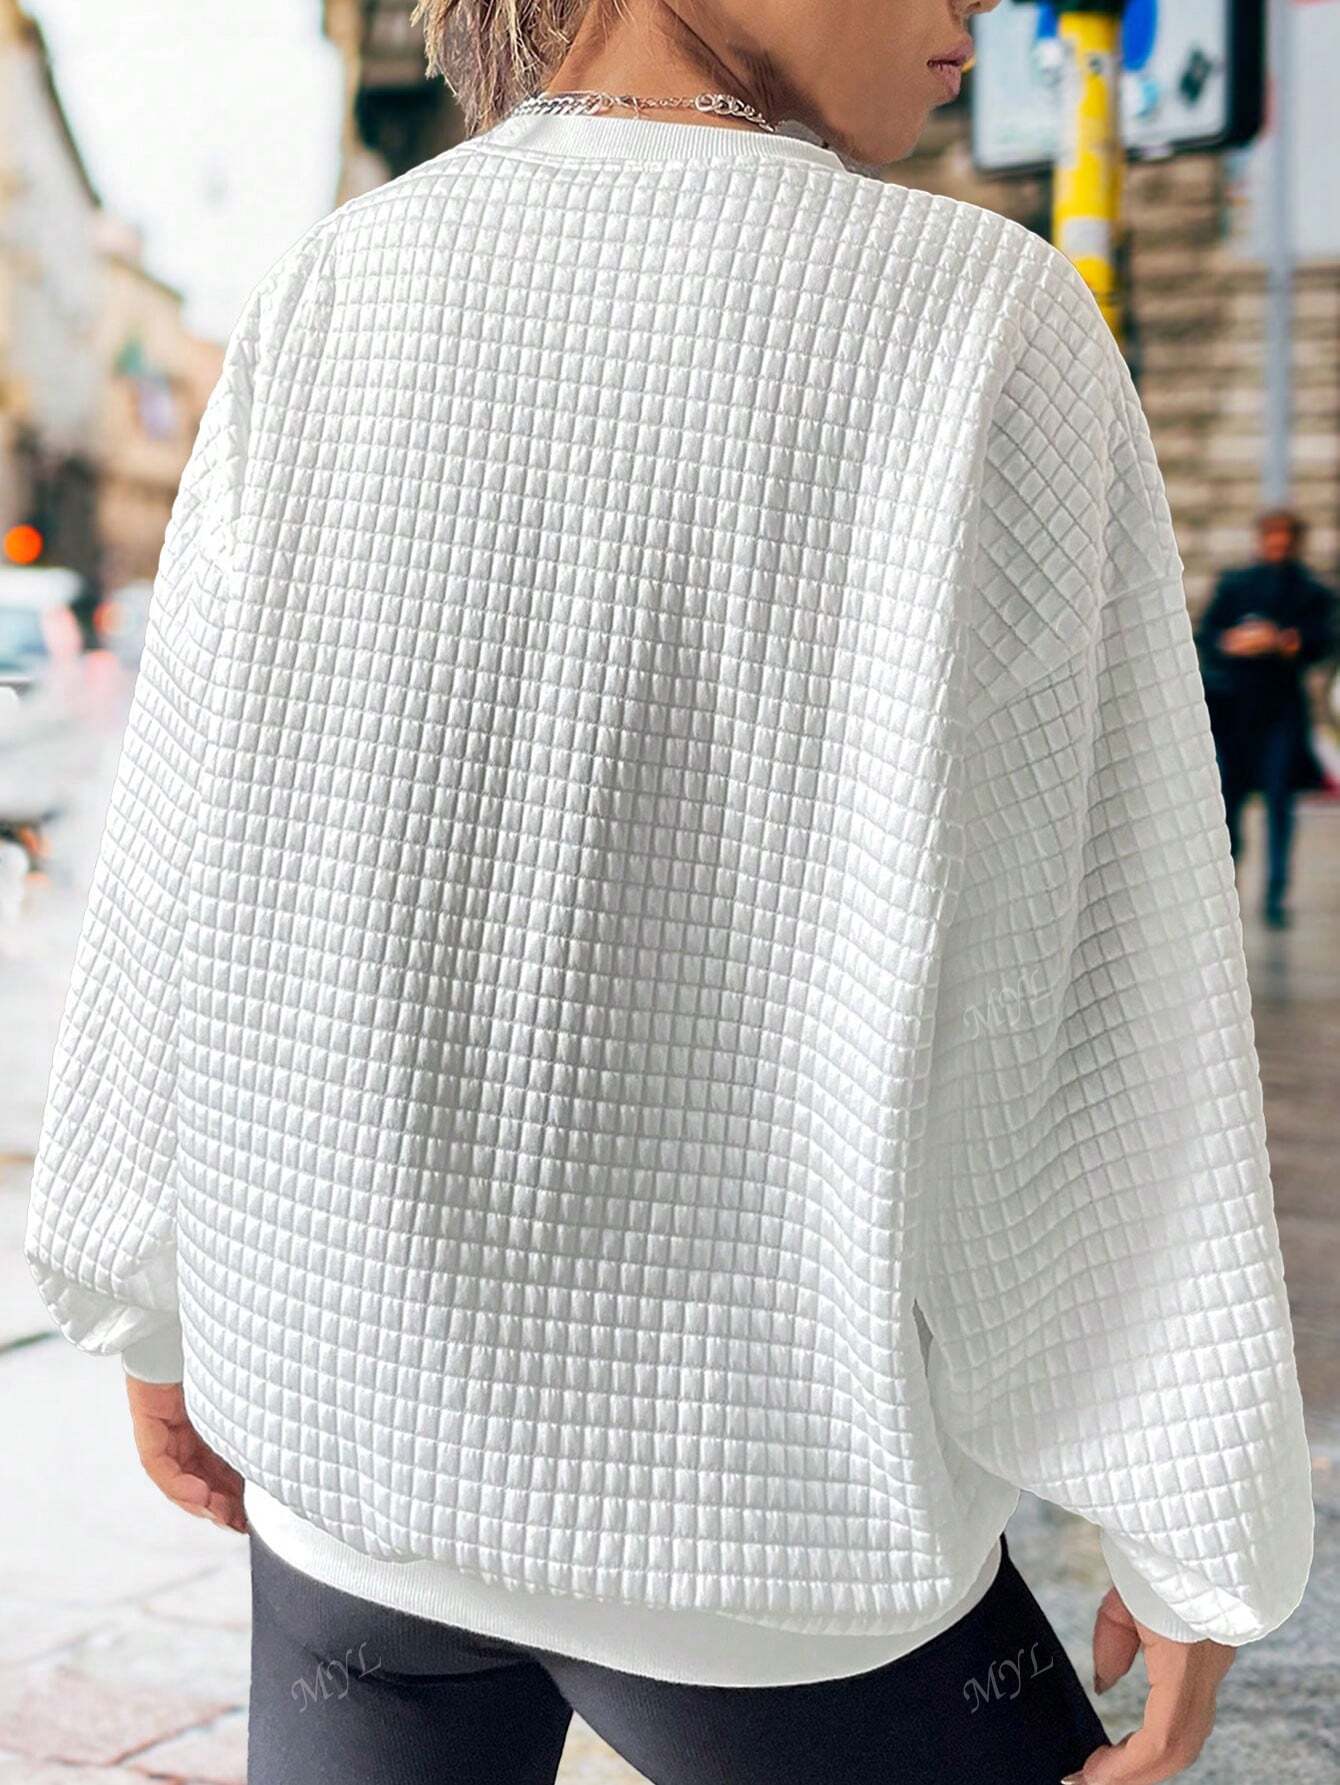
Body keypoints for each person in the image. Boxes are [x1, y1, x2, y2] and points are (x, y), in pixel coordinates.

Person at [24, 3, 1314, 1783]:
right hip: (765, 1531)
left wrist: (149, 1294)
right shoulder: (976, 315)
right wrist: (1188, 1514)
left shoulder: (339, 281)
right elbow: (1097, 980)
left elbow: (188, 847)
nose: (974, 11)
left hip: (348, 1472)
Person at [1194, 508, 1337, 927]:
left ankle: (1275, 892)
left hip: (1280, 712)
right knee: (1229, 803)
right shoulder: (1237, 585)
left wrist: (1282, 642)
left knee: (1279, 801)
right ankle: (1227, 891)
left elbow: (1321, 643)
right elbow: (1208, 635)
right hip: (1235, 711)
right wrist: (1236, 642)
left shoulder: (1310, 591)